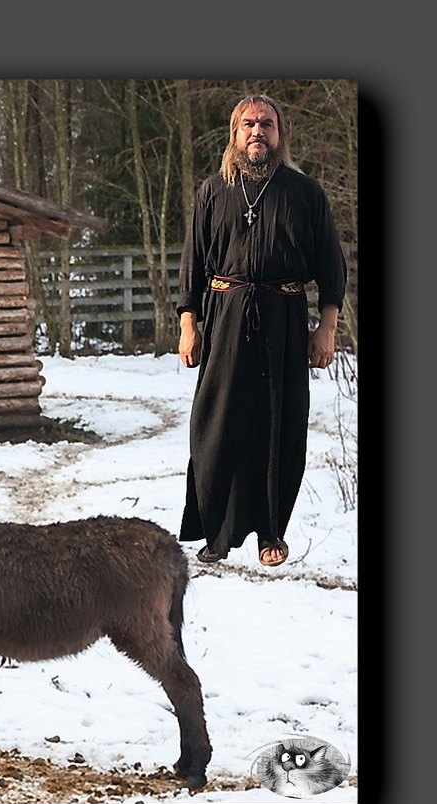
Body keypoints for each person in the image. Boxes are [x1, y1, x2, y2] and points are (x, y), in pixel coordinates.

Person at [177, 94, 345, 567]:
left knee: (278, 422)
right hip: (225, 316)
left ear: (280, 134)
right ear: (234, 135)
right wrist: (189, 323)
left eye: (266, 124)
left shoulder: (304, 193)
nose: (257, 131)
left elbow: (331, 267)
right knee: (217, 424)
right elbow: (192, 265)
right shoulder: (213, 190)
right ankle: (217, 532)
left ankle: (272, 531)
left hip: (284, 316)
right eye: (248, 124)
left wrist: (326, 328)